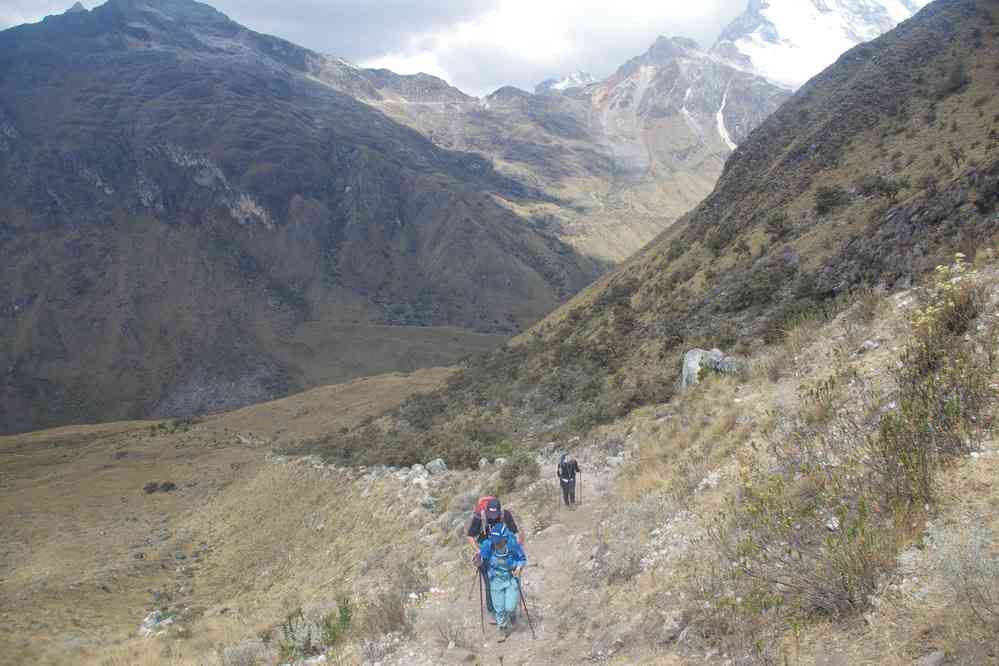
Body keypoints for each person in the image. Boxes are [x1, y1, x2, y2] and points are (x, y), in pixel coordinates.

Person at [467, 498, 522, 614]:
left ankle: (509, 610)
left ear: (499, 511)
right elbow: (470, 536)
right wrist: (479, 551)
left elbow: (515, 532)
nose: (492, 517)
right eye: (490, 514)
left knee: (509, 579)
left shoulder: (505, 515)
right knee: (489, 582)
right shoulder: (480, 517)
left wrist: (516, 549)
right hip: (487, 554)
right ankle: (493, 611)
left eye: (495, 514)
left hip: (505, 553)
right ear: (486, 511)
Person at [479, 521, 527, 642]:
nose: (497, 543)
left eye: (499, 541)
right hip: (495, 580)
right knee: (499, 608)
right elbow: (482, 563)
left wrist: (518, 568)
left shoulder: (512, 545)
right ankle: (503, 628)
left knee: (510, 607)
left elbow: (521, 558)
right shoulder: (487, 545)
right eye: (495, 541)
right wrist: (478, 563)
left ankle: (512, 616)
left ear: (504, 539)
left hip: (510, 578)